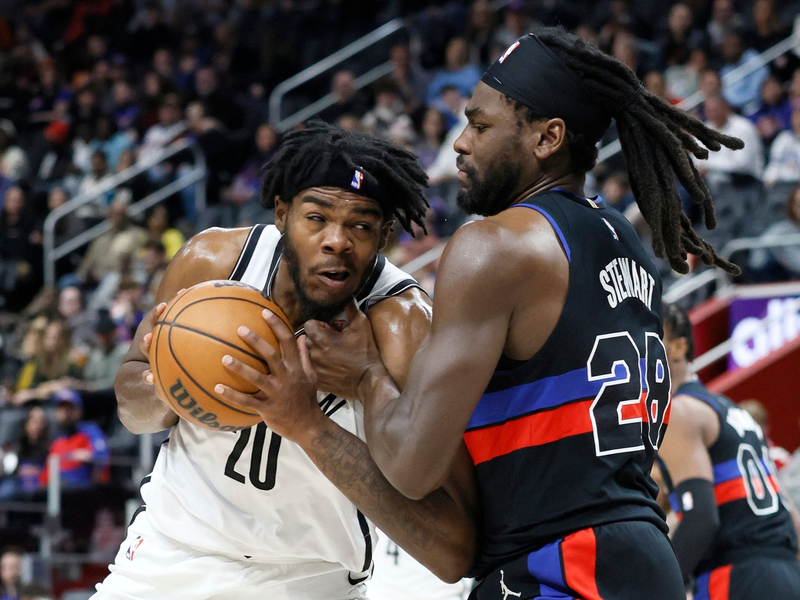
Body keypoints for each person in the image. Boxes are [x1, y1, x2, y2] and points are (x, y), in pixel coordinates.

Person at [299, 27, 746, 599]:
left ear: (547, 138)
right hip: (642, 559)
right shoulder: (626, 241)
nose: (460, 143)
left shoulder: (496, 246)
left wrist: (363, 377)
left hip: (561, 566)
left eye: (481, 126)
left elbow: (412, 465)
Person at [94, 123, 477, 600]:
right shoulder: (212, 263)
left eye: (360, 224)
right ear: (282, 213)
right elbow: (132, 409)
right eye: (316, 218)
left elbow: (452, 550)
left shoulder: (402, 328)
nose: (336, 240)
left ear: (383, 236)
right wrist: (173, 386)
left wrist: (310, 422)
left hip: (310, 578)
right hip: (167, 555)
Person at [656, 304, 800, 598]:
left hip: (736, 574)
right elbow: (790, 515)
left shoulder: (680, 411)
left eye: (651, 338)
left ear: (679, 347)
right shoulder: (733, 411)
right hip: (785, 570)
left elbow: (701, 518)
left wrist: (654, 588)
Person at [39, 389, 110, 489]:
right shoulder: (57, 442)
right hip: (57, 492)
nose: (65, 413)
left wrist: (88, 456)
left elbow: (102, 458)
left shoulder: (90, 431)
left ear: (79, 411)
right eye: (62, 408)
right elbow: (46, 476)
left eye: (70, 408)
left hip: (83, 490)